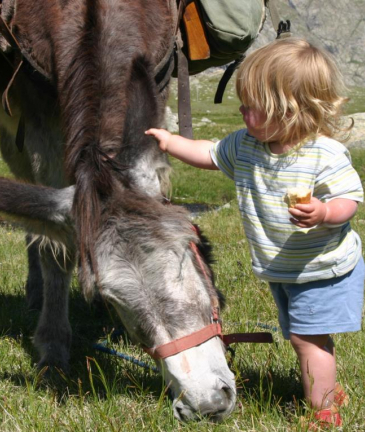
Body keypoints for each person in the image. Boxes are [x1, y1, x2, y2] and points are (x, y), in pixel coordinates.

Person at [146, 37, 364, 429]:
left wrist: (324, 212)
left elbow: (349, 200)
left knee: (307, 340)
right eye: (242, 104)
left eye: (253, 107)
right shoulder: (247, 145)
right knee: (305, 338)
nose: (244, 113)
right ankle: (327, 389)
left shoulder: (323, 153)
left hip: (321, 268)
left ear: (291, 110)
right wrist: (171, 142)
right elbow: (210, 155)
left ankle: (326, 411)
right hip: (283, 268)